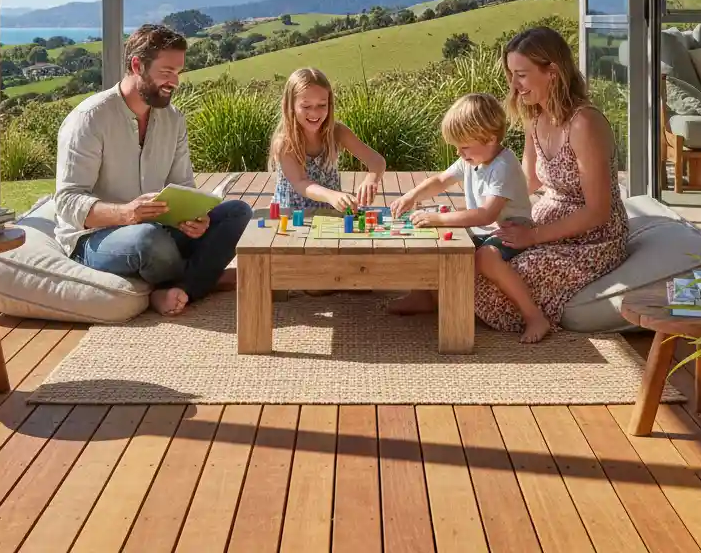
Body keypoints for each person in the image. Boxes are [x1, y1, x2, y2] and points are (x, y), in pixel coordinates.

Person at [54, 24, 251, 317]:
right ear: (137, 65)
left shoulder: (173, 120)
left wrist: (195, 219)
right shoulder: (89, 120)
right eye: (166, 72)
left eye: (178, 73)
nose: (174, 82)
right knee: (147, 239)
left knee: (237, 212)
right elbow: (68, 201)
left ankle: (175, 289)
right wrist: (127, 213)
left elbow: (183, 185)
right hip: (97, 238)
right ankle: (197, 278)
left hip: (160, 230)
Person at [473, 25, 629, 335]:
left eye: (522, 74)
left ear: (552, 71)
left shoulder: (584, 123)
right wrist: (488, 211)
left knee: (510, 273)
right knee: (472, 254)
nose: (514, 85)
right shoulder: (535, 117)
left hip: (593, 238)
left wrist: (533, 238)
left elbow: (598, 211)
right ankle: (432, 296)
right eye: (511, 75)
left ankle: (535, 319)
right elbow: (526, 182)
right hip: (545, 223)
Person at [387, 93, 551, 341]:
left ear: (489, 139)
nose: (460, 153)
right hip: (484, 230)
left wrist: (439, 219)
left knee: (485, 257)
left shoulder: (503, 166)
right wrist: (411, 196)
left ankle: (534, 316)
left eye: (464, 147)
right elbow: (441, 180)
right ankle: (423, 294)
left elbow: (486, 215)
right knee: (434, 240)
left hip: (510, 230)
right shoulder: (473, 158)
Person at [270, 67, 386, 211]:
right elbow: (300, 182)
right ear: (290, 106)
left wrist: (371, 179)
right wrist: (332, 196)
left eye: (322, 105)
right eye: (306, 106)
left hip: (330, 214)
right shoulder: (285, 142)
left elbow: (377, 160)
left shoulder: (337, 132)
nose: (315, 112)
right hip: (291, 216)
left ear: (330, 104)